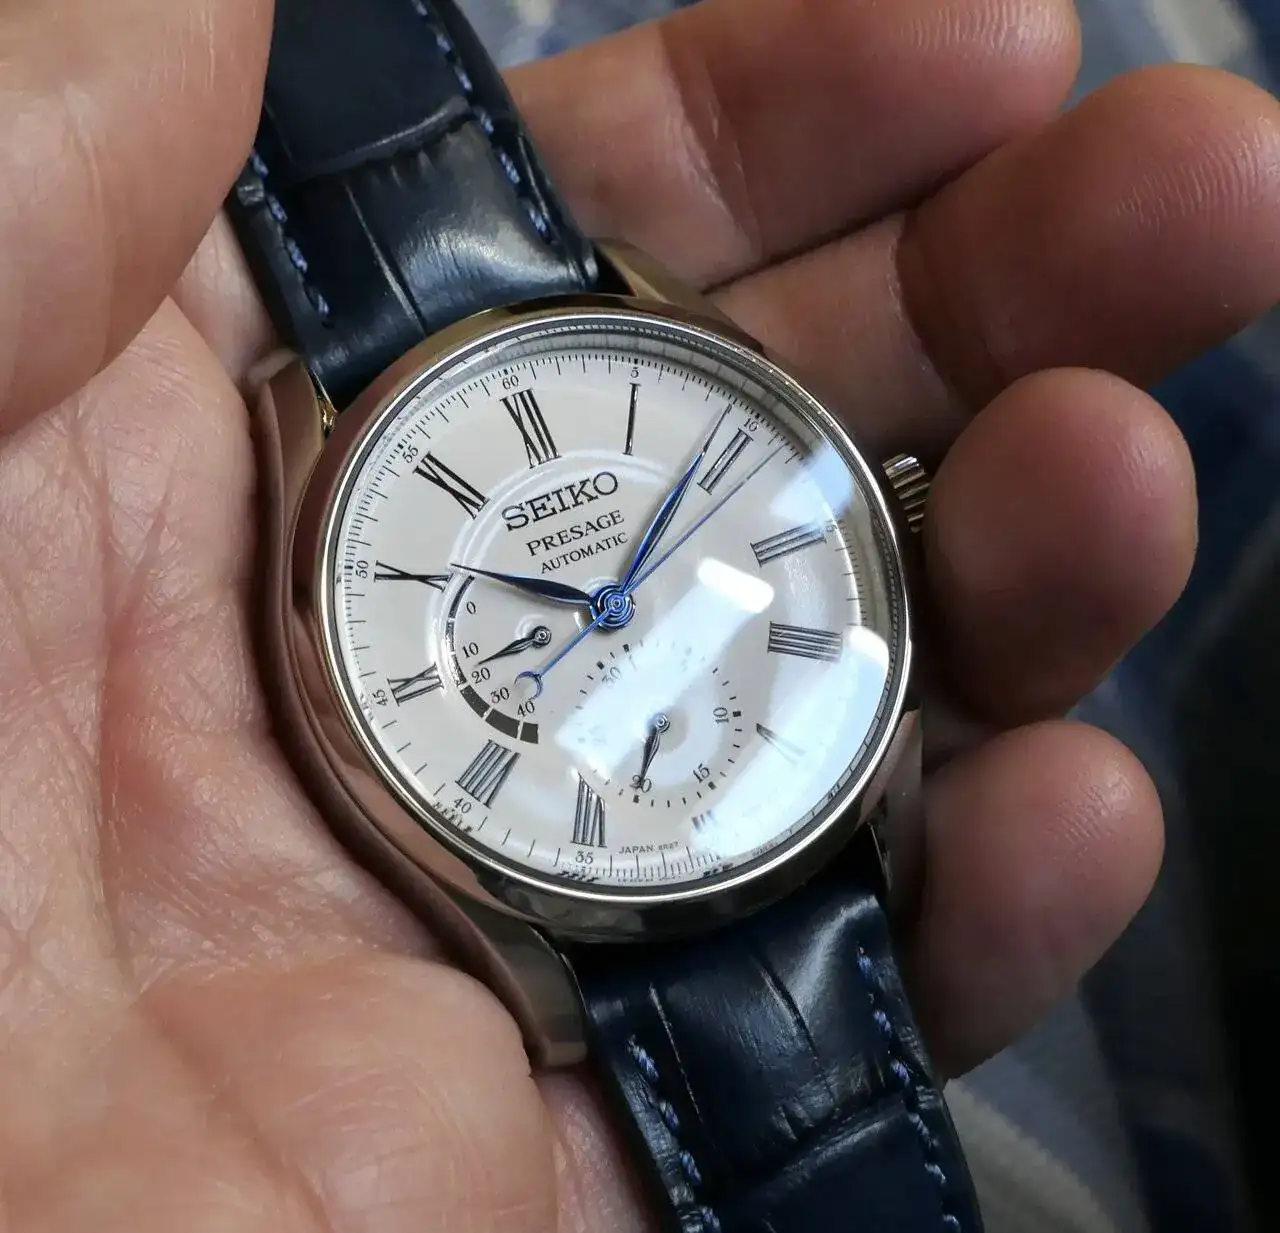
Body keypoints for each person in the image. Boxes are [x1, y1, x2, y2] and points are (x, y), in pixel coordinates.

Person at [0, 0, 1276, 1227]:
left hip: (804, 795)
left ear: (887, 504)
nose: (612, 603)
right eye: (582, 600)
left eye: (619, 590)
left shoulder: (640, 324)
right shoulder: (313, 429)